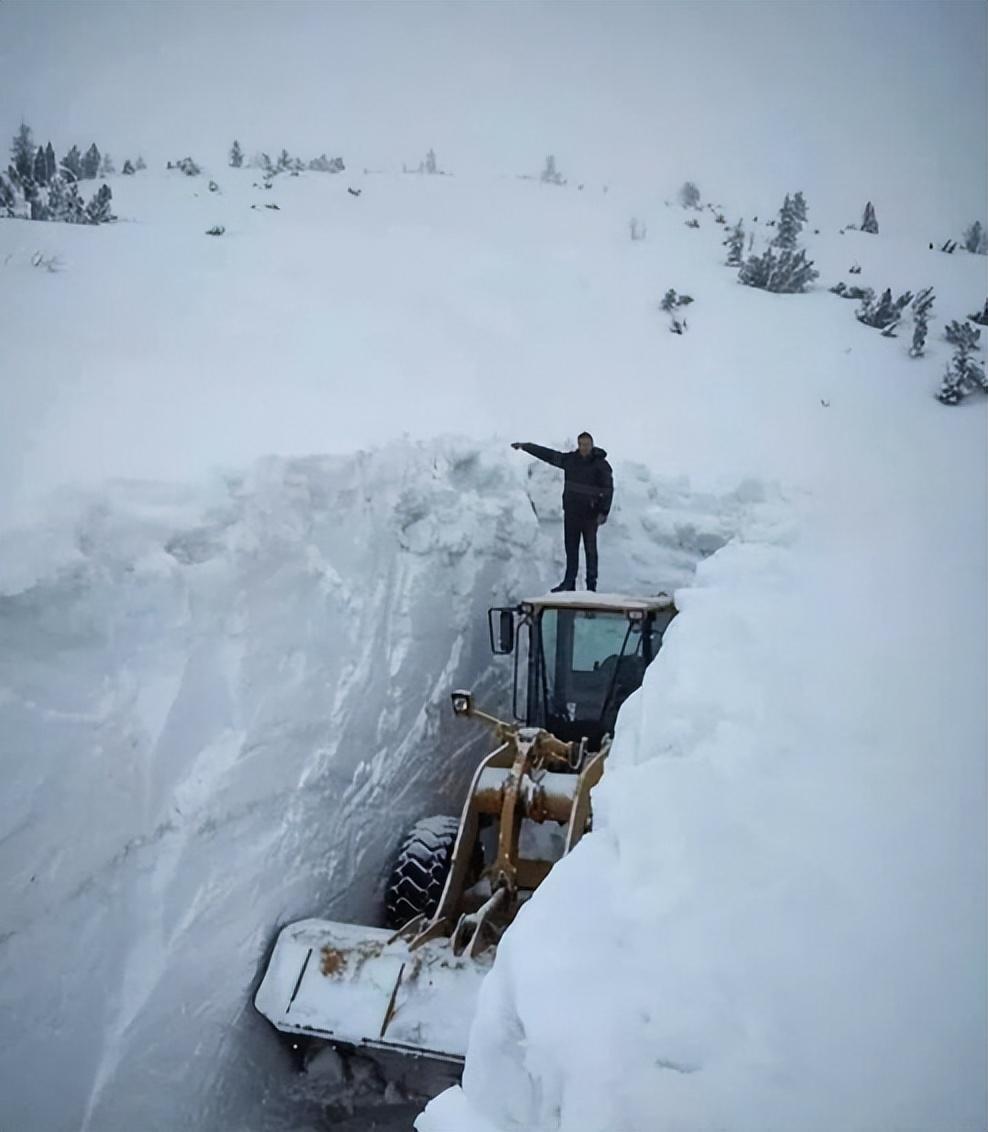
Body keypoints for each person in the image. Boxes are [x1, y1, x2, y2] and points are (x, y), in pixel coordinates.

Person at [512, 433, 613, 592]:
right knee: (571, 549)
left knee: (590, 551)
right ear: (578, 445)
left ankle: (591, 586)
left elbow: (608, 489)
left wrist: (604, 511)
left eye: (586, 444)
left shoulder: (601, 465)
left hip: (590, 516)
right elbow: (549, 455)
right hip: (572, 514)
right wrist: (526, 446)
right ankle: (569, 582)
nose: (584, 448)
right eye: (581, 444)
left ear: (592, 444)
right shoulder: (570, 460)